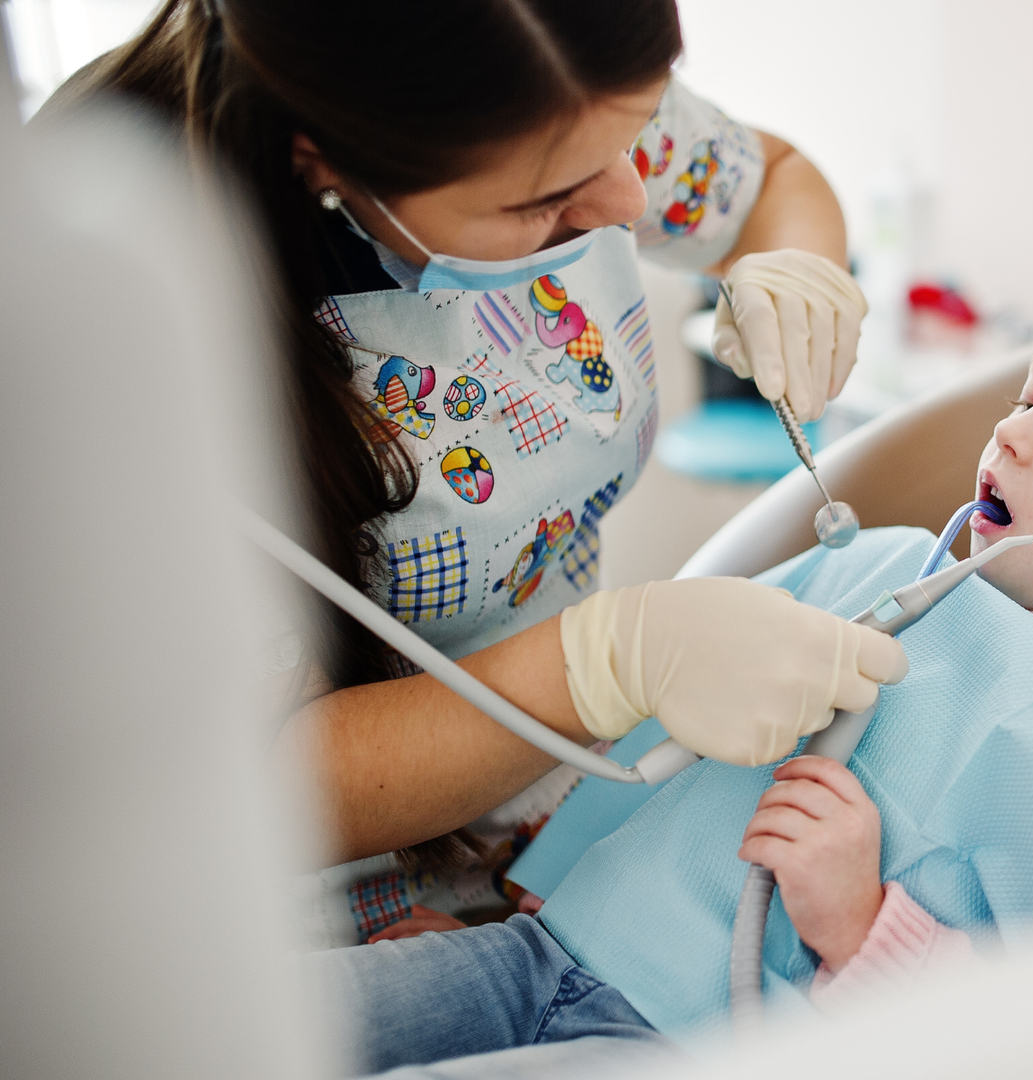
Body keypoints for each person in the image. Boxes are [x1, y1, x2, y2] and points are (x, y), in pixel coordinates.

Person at [307, 266, 1033, 1073]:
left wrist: (863, 924)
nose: (1016, 435)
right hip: (534, 954)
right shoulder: (886, 561)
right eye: (1028, 395)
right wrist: (521, 904)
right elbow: (661, 753)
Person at [44, 0, 910, 935]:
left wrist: (797, 263)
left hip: (555, 821)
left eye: (632, 140)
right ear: (321, 157)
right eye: (543, 202)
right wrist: (603, 664)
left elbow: (770, 176)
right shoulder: (107, 321)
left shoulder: (554, 92)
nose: (626, 202)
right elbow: (244, 779)